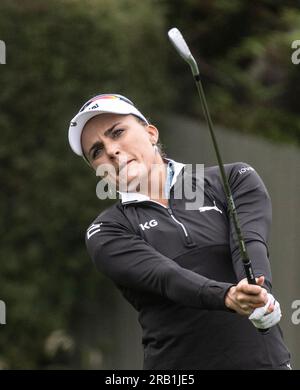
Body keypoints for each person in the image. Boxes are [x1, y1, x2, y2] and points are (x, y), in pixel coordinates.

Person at [68, 93, 291, 370]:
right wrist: (227, 296)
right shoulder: (106, 231)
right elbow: (167, 277)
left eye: (118, 132)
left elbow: (247, 242)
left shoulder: (232, 179)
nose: (111, 150)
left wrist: (260, 293)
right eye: (97, 151)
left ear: (151, 133)